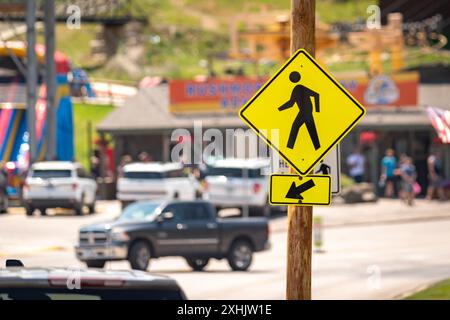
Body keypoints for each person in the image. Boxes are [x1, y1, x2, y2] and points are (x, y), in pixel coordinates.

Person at [278, 71, 321, 150]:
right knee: (310, 130)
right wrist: (279, 109)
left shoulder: (299, 87)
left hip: (305, 112)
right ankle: (317, 147)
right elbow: (291, 103)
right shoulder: (296, 89)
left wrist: (317, 110)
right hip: (305, 112)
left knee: (296, 127)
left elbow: (316, 95)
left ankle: (289, 148)